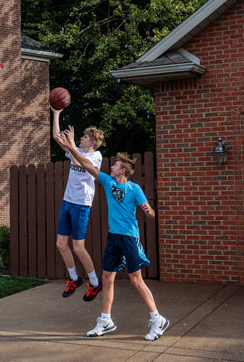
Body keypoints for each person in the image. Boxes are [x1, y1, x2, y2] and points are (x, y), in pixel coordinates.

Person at [55, 127, 170, 341]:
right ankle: (106, 320)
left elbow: (151, 212)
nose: (112, 166)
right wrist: (71, 146)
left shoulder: (135, 189)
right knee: (107, 278)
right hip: (113, 238)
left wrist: (149, 211)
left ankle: (157, 319)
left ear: (123, 170)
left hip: (129, 238)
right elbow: (87, 165)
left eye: (116, 165)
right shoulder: (107, 182)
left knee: (136, 280)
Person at [52, 107, 105, 302]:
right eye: (80, 137)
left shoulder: (95, 156)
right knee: (60, 244)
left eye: (83, 137)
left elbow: (80, 164)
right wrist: (56, 112)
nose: (80, 138)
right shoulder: (77, 150)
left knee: (78, 248)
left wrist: (72, 144)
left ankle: (95, 282)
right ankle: (74, 278)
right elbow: (58, 138)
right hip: (68, 202)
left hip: (82, 205)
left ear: (92, 142)